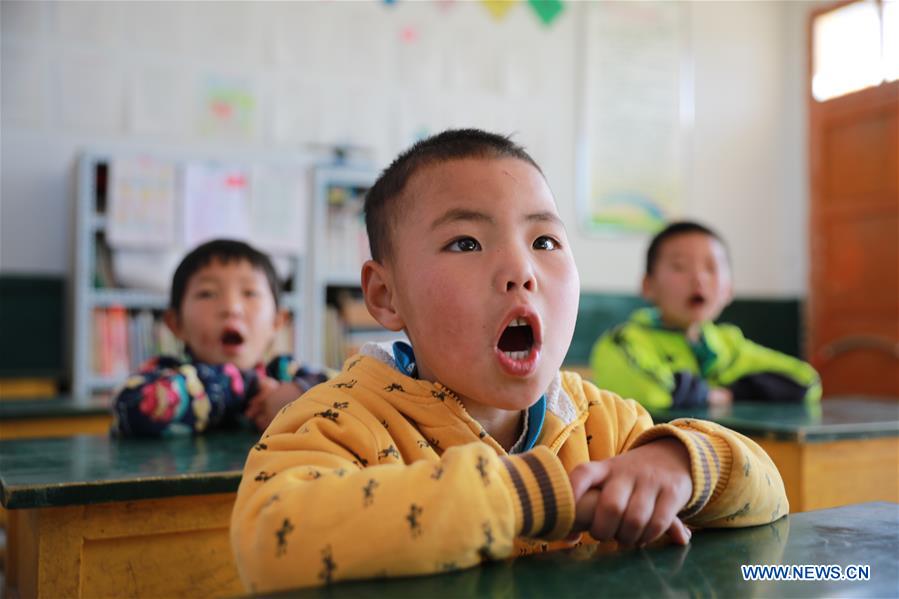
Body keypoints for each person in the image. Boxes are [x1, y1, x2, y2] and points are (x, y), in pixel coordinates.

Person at [230, 130, 788, 593]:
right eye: (467, 243)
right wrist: (527, 497)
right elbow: (269, 538)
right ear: (385, 295)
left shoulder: (603, 425)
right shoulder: (339, 419)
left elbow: (771, 498)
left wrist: (682, 464)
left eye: (544, 241)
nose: (522, 270)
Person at [590, 221, 821, 410]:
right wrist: (716, 393)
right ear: (648, 285)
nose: (698, 278)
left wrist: (732, 392)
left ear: (728, 289)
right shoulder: (623, 342)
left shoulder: (728, 344)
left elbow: (806, 381)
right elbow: (651, 393)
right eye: (680, 266)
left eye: (711, 268)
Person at [111, 239, 328, 437]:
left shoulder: (285, 374)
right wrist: (240, 384)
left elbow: (350, 386)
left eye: (250, 293)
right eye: (207, 293)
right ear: (175, 323)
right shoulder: (163, 373)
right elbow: (129, 407)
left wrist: (297, 395)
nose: (231, 308)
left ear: (277, 321)